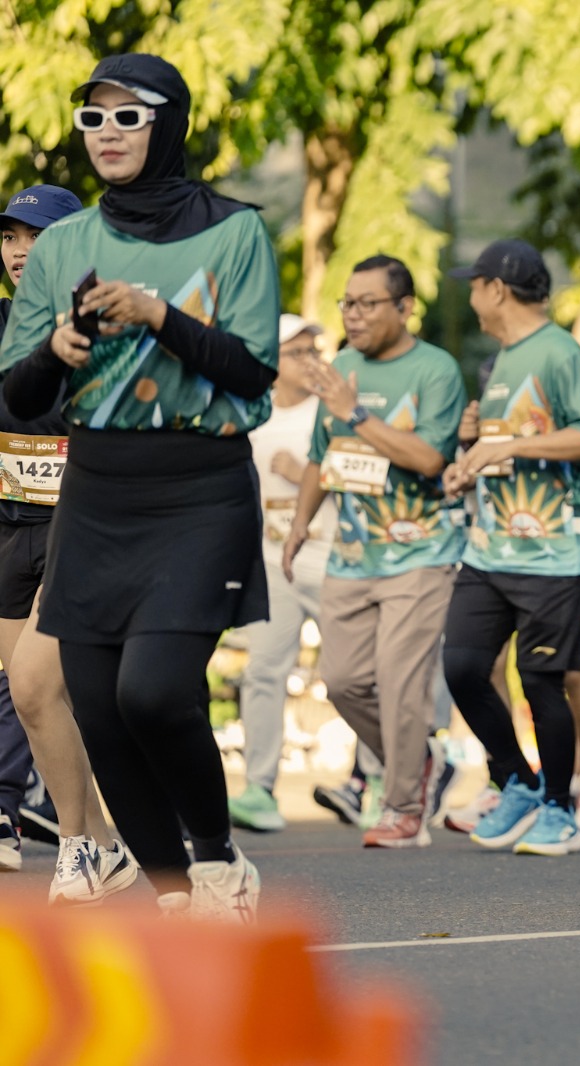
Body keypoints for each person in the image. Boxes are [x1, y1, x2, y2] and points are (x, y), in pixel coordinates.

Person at [0, 54, 279, 919]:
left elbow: (253, 375)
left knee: (153, 690)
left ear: (170, 122)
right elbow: (18, 390)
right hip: (97, 488)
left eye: (130, 115)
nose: (109, 133)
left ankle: (220, 864)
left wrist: (160, 316)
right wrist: (59, 350)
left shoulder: (234, 232)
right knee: (94, 699)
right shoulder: (67, 242)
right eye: (94, 118)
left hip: (199, 488)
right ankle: (170, 898)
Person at [439, 238, 580, 857]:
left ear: (497, 289)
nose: (471, 296)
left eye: (474, 284)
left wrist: (506, 448)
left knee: (542, 680)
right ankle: (518, 778)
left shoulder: (558, 351)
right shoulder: (504, 359)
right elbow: (512, 440)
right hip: (490, 551)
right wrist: (470, 454)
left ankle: (560, 812)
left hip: (552, 553)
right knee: (461, 665)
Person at [284, 255, 462, 849]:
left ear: (405, 307)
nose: (353, 315)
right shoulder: (345, 367)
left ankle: (403, 805)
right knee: (341, 681)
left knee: (400, 678)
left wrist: (355, 413)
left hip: (421, 553)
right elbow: (320, 455)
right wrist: (299, 526)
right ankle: (421, 762)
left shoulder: (435, 369)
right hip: (351, 555)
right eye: (347, 303)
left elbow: (430, 460)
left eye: (367, 304)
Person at [0, 181, 138, 903]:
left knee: (32, 680)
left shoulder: (101, 329)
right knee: (40, 701)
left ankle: (81, 845)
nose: (20, 251)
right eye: (10, 238)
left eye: (36, 237)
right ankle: (107, 845)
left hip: (78, 525)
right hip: (9, 530)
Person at [228, 314, 334, 832]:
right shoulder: (252, 415)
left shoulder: (331, 411)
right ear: (271, 362)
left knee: (348, 678)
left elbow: (363, 465)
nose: (312, 361)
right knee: (263, 671)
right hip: (273, 565)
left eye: (316, 350)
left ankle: (383, 782)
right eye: (299, 352)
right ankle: (258, 789)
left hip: (336, 560)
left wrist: (311, 476)